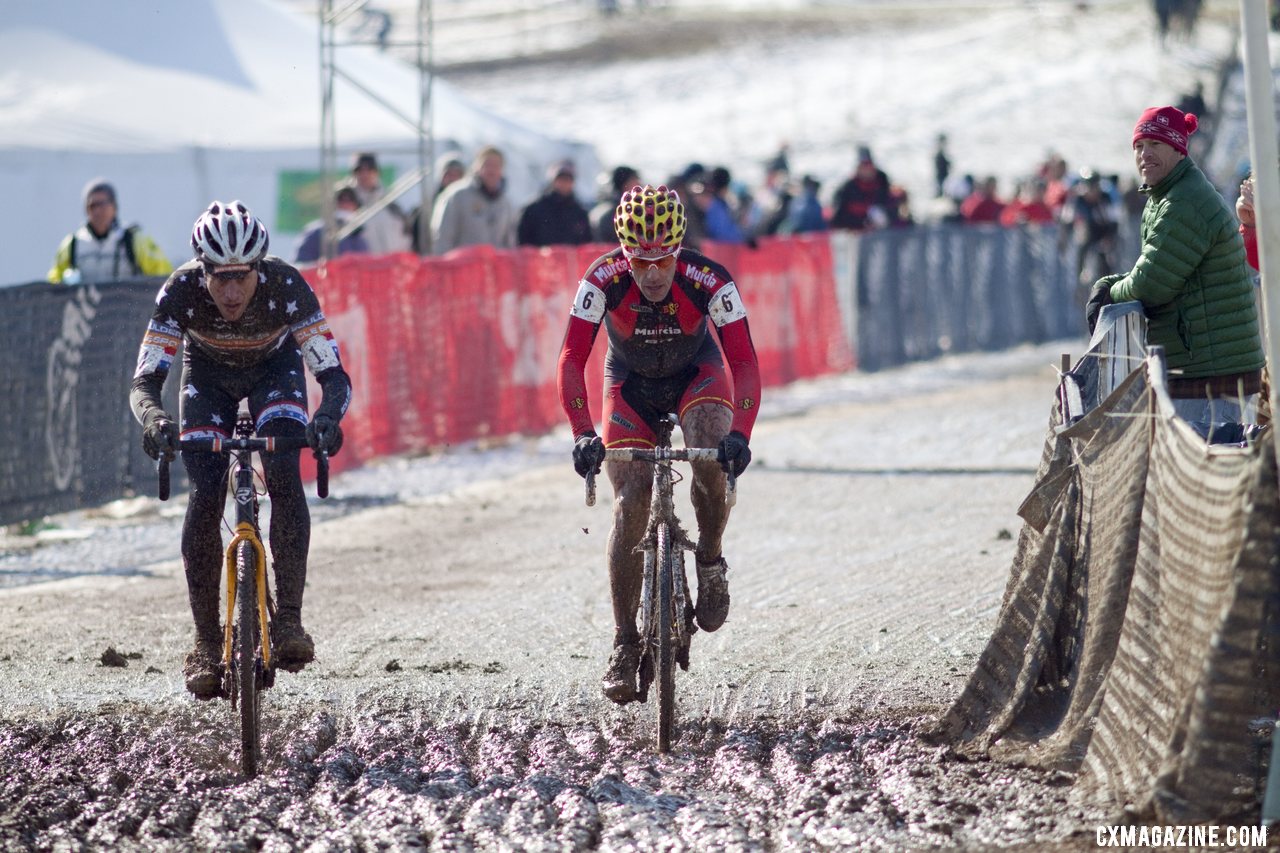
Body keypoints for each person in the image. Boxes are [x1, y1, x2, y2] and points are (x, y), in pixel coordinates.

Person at [129, 201, 352, 699]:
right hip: (205, 378)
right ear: (201, 271)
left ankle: (290, 621)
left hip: (277, 373)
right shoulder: (180, 293)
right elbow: (145, 381)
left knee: (282, 468)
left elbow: (333, 375)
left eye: (242, 278)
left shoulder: (287, 286)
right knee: (206, 493)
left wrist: (327, 419)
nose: (231, 292)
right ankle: (207, 643)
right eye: (220, 279)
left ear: (259, 270)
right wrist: (155, 419)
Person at [557, 185, 761, 704]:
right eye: (639, 262)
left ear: (679, 250)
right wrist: (583, 432)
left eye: (663, 262)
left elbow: (742, 363)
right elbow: (570, 360)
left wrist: (740, 434)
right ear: (624, 252)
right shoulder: (601, 279)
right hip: (629, 384)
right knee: (630, 500)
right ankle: (625, 643)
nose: (651, 275)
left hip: (698, 374)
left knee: (710, 457)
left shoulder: (709, 279)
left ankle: (710, 560)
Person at [1086, 106, 1264, 426]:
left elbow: (1153, 283)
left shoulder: (1184, 200)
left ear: (1178, 149)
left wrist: (1110, 292)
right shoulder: (1167, 196)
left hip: (1214, 377)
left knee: (1208, 471)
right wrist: (1112, 284)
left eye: (1155, 144)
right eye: (1139, 146)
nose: (1144, 154)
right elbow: (1156, 268)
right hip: (1206, 369)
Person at [48, 179, 173, 284]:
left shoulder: (135, 239)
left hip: (127, 312)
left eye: (103, 204)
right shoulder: (73, 244)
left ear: (114, 207)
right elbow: (54, 286)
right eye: (92, 206)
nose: (98, 211)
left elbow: (163, 279)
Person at [431, 145, 517, 254]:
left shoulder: (505, 203)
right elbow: (442, 238)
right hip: (462, 268)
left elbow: (509, 243)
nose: (492, 170)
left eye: (496, 166)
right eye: (487, 165)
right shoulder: (457, 196)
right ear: (477, 167)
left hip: (492, 269)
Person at [342, 152, 412, 255]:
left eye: (370, 169)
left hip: (390, 266)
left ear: (377, 172)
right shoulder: (344, 202)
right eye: (360, 170)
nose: (365, 174)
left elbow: (405, 239)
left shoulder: (391, 206)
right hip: (358, 267)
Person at [517, 159, 594, 247]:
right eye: (561, 179)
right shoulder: (534, 209)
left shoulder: (580, 213)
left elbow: (586, 244)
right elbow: (523, 242)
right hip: (541, 260)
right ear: (553, 180)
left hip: (571, 260)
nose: (564, 183)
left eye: (568, 179)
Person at [295, 186, 370, 264]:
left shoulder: (358, 236)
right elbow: (301, 264)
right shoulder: (315, 232)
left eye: (350, 202)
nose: (345, 205)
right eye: (341, 201)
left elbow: (364, 265)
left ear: (356, 208)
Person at [830, 147, 895, 231]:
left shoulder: (883, 183)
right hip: (855, 238)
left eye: (868, 165)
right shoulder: (847, 190)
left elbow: (894, 210)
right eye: (863, 166)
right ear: (858, 168)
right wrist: (862, 223)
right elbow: (837, 220)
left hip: (881, 236)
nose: (867, 170)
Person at [591, 165, 640, 244]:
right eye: (634, 180)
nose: (638, 185)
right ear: (623, 185)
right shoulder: (608, 216)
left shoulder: (642, 211)